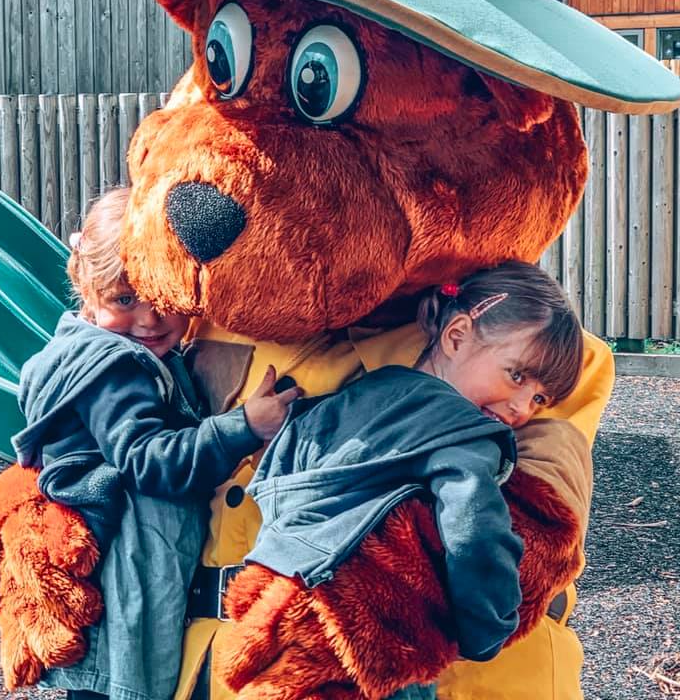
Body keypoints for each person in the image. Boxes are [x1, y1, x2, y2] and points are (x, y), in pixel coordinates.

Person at [223, 260, 585, 699]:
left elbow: (281, 472)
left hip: (274, 603)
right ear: (456, 336)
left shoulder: (359, 394)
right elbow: (475, 535)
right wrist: (486, 630)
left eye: (540, 398)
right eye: (516, 375)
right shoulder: (465, 432)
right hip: (368, 642)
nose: (522, 409)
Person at [9, 188, 302, 700]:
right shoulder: (113, 368)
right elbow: (149, 460)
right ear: (86, 288)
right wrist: (243, 426)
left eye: (165, 300)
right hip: (124, 566)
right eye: (125, 301)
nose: (149, 319)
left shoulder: (107, 348)